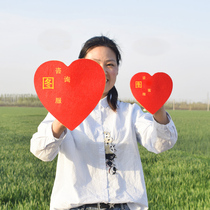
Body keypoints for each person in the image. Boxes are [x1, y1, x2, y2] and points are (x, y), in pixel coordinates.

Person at [30, 36, 178, 210]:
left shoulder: (130, 113)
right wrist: (64, 116)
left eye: (110, 64)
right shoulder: (61, 111)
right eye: (93, 64)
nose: (102, 71)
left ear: (117, 70)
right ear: (79, 69)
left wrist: (157, 106)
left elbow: (161, 143)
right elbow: (41, 151)